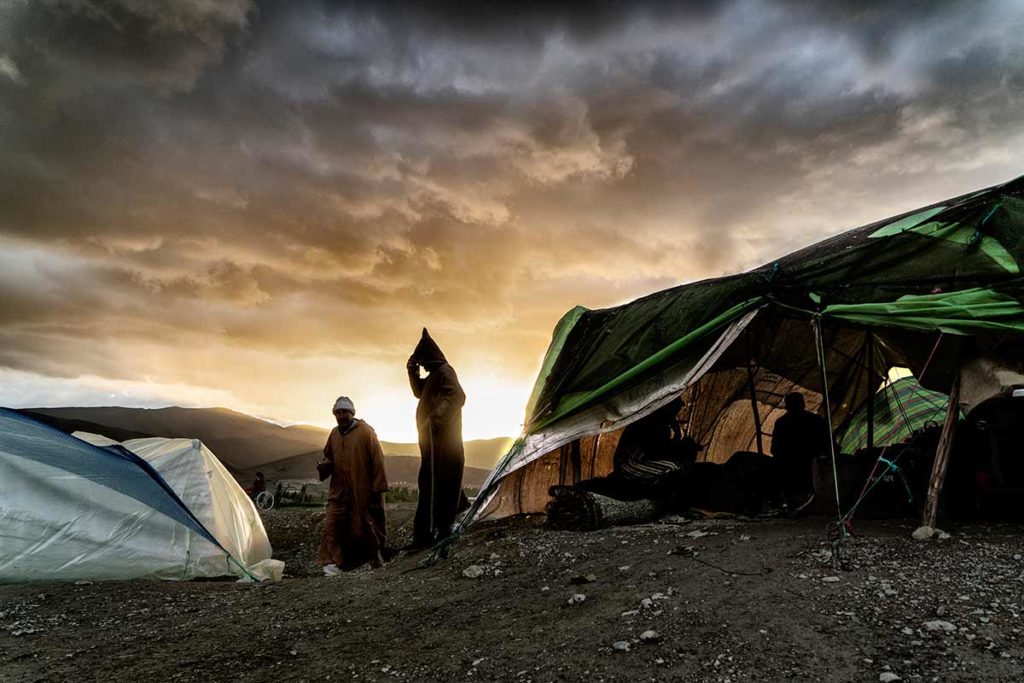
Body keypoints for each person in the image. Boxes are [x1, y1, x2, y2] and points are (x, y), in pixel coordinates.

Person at [407, 328, 467, 549]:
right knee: (431, 484)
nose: (422, 366)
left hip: (445, 444)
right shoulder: (435, 375)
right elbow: (419, 392)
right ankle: (426, 534)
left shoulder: (445, 372)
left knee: (443, 484)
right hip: (433, 444)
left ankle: (442, 530)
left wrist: (436, 417)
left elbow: (457, 396)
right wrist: (412, 373)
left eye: (422, 362)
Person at [316, 396, 389, 575]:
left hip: (361, 490)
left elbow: (378, 460)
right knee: (332, 525)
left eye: (344, 412)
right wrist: (325, 464)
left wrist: (377, 488)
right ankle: (332, 565)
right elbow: (329, 456)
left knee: (366, 526)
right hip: (338, 491)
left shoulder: (365, 432)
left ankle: (376, 560)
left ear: (352, 413)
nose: (341, 416)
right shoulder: (334, 433)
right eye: (337, 413)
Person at [770, 391, 832, 509]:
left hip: (800, 467)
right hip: (803, 467)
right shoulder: (815, 421)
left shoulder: (783, 423)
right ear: (803, 404)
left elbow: (775, 449)